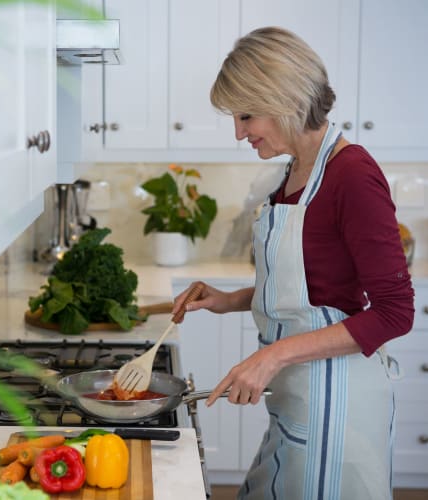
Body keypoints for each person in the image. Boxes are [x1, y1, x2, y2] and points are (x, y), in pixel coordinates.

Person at [173, 27, 414, 500]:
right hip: (301, 396)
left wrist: (272, 355)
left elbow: (395, 312)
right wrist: (229, 301)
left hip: (337, 405)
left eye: (246, 115)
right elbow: (312, 289)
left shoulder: (353, 175)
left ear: (283, 98)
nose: (239, 132)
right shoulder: (294, 172)